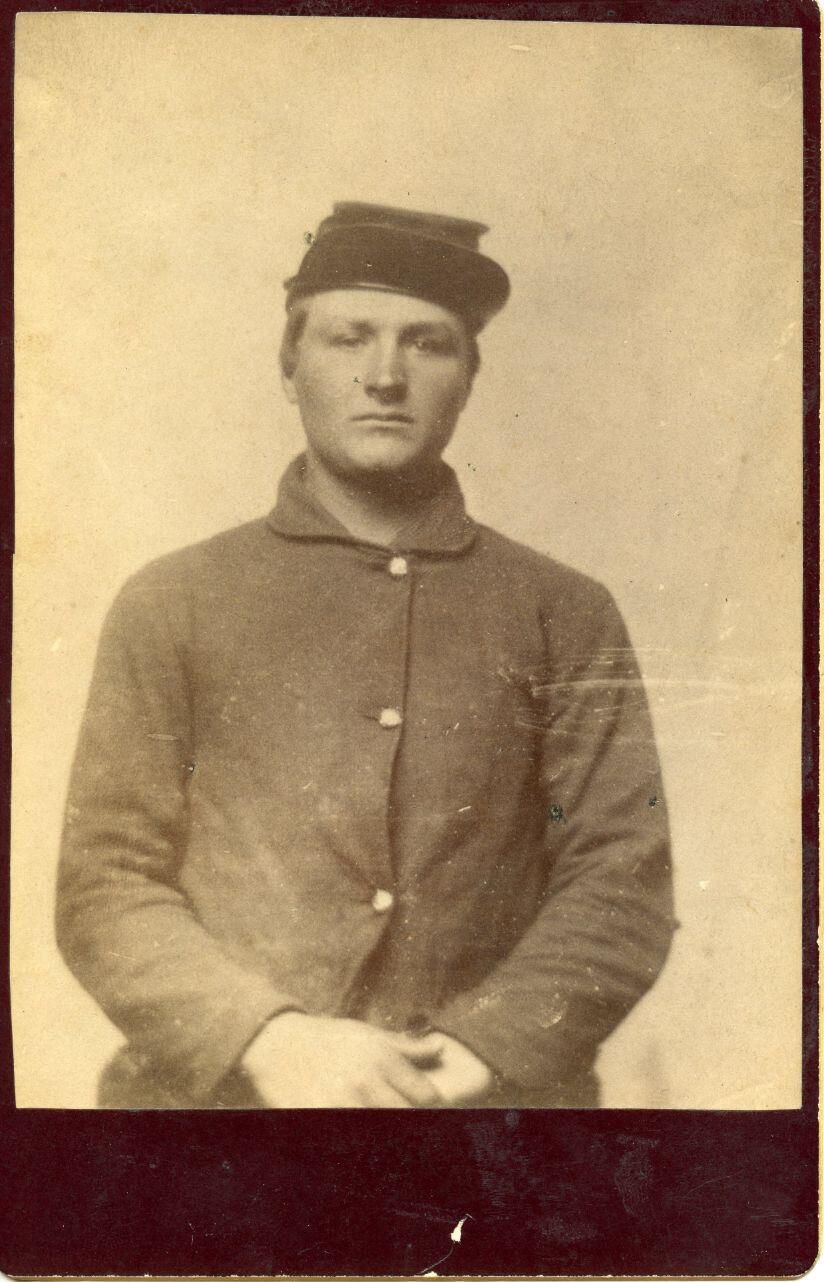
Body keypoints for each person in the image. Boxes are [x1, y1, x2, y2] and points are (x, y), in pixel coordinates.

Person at [56, 202, 675, 1109]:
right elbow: (104, 884)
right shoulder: (172, 599)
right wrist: (268, 1040)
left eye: (427, 344)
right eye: (350, 338)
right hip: (221, 1122)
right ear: (289, 365)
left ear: (470, 376)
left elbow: (621, 880)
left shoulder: (565, 612)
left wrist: (478, 1051)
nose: (385, 376)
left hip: (484, 1121)